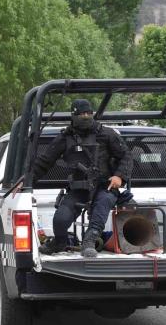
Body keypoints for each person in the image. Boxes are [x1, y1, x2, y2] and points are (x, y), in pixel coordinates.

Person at [32, 99, 132, 258]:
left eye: (88, 113)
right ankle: (59, 242)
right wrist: (25, 182)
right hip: (79, 189)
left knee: (102, 204)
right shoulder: (65, 137)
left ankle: (90, 242)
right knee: (60, 219)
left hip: (104, 186)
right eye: (81, 114)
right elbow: (44, 163)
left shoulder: (106, 134)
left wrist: (119, 176)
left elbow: (126, 156)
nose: (85, 116)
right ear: (73, 115)